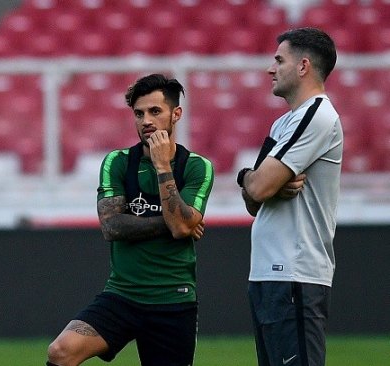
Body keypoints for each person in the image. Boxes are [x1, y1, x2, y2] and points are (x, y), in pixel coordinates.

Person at [47, 74, 214, 366]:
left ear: (176, 114)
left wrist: (163, 166)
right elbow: (112, 226)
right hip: (123, 295)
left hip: (173, 299)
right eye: (139, 113)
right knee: (61, 351)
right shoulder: (119, 162)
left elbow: (181, 226)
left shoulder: (197, 166)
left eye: (155, 111)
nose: (146, 120)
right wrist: (173, 224)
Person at [237, 27, 342, 366]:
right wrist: (250, 179)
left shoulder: (317, 114)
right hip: (270, 274)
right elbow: (253, 198)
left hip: (294, 273)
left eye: (279, 60)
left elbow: (257, 188)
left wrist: (255, 181)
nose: (271, 69)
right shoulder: (283, 123)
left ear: (303, 66)